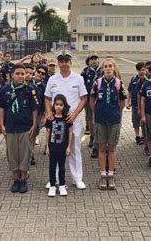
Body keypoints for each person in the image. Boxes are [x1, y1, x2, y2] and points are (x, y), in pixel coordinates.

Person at [45, 50, 87, 190]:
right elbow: (47, 98)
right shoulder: (52, 79)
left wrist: (75, 114)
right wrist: (49, 112)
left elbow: (84, 98)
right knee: (56, 149)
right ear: (58, 63)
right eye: (61, 61)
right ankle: (54, 179)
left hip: (72, 118)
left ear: (70, 62)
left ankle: (77, 178)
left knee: (74, 148)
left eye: (66, 61)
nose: (64, 64)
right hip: (57, 120)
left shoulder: (78, 78)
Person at [0, 64, 39, 194]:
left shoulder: (30, 89)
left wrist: (34, 125)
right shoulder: (5, 89)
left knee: (25, 153)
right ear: (11, 75)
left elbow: (35, 109)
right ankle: (15, 178)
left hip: (25, 126)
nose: (21, 76)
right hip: (10, 126)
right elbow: (1, 107)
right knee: (12, 153)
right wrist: (1, 124)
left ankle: (23, 178)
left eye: (23, 73)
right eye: (18, 73)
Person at [90, 58, 127, 190]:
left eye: (110, 66)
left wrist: (116, 113)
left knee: (112, 148)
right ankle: (102, 175)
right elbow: (92, 100)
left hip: (114, 120)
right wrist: (95, 114)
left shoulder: (118, 83)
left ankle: (110, 176)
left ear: (114, 68)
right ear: (103, 69)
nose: (108, 68)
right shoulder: (97, 83)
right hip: (100, 120)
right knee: (101, 148)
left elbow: (122, 102)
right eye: (105, 66)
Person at [46, 94, 73, 197]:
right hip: (52, 148)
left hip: (62, 148)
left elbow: (70, 132)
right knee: (52, 167)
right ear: (54, 105)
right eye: (56, 104)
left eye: (61, 105)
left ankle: (62, 185)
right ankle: (52, 186)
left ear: (64, 106)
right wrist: (47, 147)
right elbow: (48, 132)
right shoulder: (50, 118)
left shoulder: (67, 118)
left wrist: (69, 146)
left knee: (62, 167)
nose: (58, 107)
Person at [81, 53, 102, 156]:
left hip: (100, 100)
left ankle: (98, 141)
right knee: (90, 119)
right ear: (89, 61)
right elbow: (81, 84)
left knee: (98, 120)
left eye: (95, 59)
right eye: (91, 59)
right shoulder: (86, 71)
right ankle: (92, 137)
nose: (93, 61)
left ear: (98, 60)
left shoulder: (102, 70)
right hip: (89, 99)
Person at [126, 62, 146, 145]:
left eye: (144, 69)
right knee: (135, 121)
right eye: (142, 70)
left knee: (144, 122)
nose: (143, 71)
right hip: (134, 104)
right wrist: (128, 101)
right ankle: (137, 136)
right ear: (137, 70)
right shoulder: (134, 79)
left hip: (144, 105)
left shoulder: (147, 79)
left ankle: (144, 136)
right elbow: (129, 91)